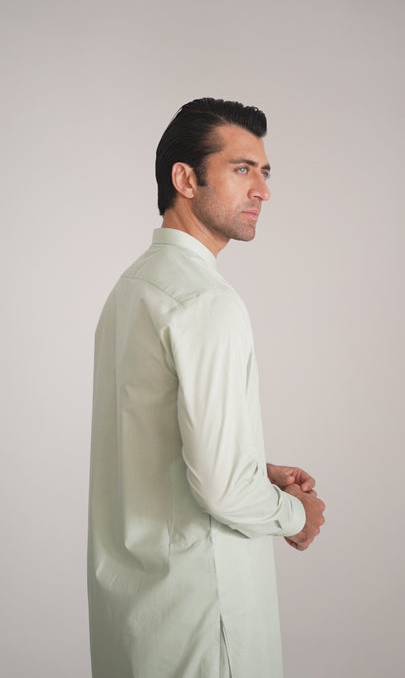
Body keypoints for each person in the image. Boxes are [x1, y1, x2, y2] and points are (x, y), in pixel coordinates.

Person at [87, 98, 325, 678]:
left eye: (264, 172)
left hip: (137, 621)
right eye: (242, 169)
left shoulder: (132, 288)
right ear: (186, 180)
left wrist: (251, 466)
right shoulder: (205, 301)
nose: (263, 190)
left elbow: (151, 445)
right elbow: (222, 489)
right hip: (205, 622)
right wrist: (297, 515)